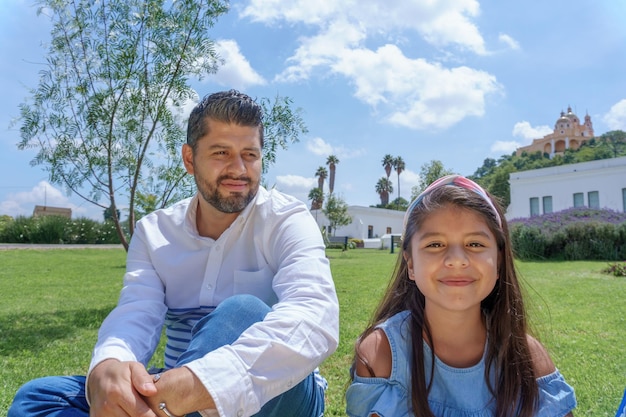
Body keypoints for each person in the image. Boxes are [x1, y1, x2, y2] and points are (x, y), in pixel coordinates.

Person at [9, 90, 339, 417]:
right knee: (39, 398)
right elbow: (137, 312)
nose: (239, 169)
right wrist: (111, 364)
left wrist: (199, 384)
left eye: (250, 155)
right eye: (221, 152)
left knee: (243, 312)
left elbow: (314, 312)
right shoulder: (154, 232)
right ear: (189, 159)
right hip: (170, 393)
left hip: (278, 393)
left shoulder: (286, 219)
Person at [345, 175, 576, 417]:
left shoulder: (527, 357)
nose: (457, 259)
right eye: (435, 244)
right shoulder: (382, 355)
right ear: (410, 264)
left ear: (498, 261)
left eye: (475, 244)